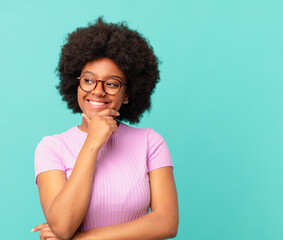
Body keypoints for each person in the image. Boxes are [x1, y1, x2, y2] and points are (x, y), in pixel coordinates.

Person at [31, 17, 179, 240]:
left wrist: (80, 239)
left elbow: (166, 223)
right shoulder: (52, 148)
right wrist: (92, 143)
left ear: (127, 94)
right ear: (76, 84)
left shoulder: (150, 142)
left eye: (111, 83)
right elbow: (62, 225)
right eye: (88, 80)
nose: (97, 91)